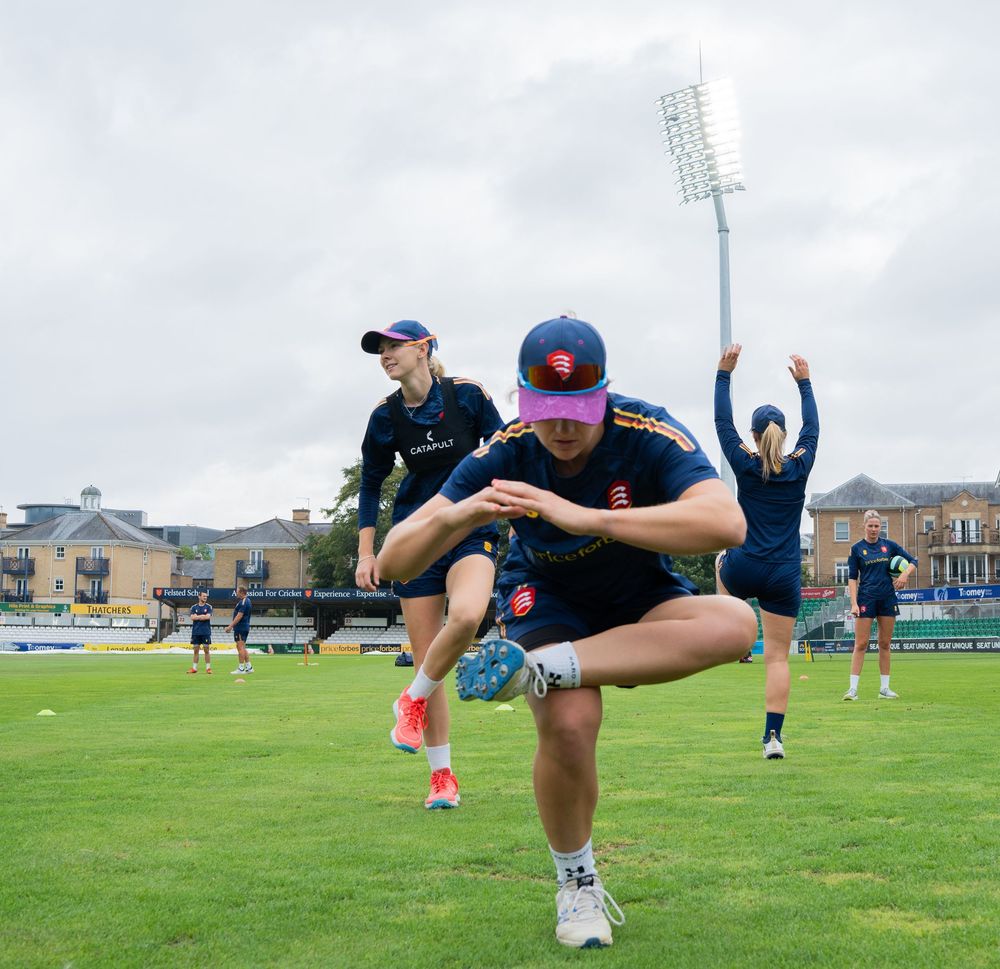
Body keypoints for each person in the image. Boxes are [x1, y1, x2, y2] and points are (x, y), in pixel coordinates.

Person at [376, 316, 756, 949]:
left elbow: (726, 523)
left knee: (737, 624)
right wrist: (463, 512)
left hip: (638, 595)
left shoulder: (648, 429)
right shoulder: (505, 448)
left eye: (577, 410)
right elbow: (394, 561)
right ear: (524, 399)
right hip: (547, 596)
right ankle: (576, 885)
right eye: (546, 410)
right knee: (571, 726)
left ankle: (539, 670)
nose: (561, 428)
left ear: (603, 393)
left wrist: (585, 517)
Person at [357, 319, 504, 810]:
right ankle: (442, 779)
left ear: (424, 349)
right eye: (380, 349)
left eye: (394, 346)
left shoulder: (467, 396)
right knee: (429, 662)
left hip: (472, 533)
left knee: (466, 618)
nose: (385, 354)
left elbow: (506, 452)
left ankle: (410, 699)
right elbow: (370, 485)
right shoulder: (384, 417)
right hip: (417, 539)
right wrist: (366, 553)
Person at [713, 344, 819, 760]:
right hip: (783, 574)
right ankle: (773, 739)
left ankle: (731, 632)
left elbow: (723, 422)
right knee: (776, 660)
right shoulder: (799, 465)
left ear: (754, 437)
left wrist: (724, 374)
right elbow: (814, 427)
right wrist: (805, 382)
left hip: (743, 567)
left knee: (721, 557)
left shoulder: (744, 463)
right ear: (785, 435)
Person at [843, 510, 916, 700]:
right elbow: (852, 579)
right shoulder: (857, 549)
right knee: (861, 644)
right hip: (866, 599)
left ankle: (884, 689)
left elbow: (913, 560)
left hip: (887, 599)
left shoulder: (889, 546)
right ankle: (852, 690)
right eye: (871, 526)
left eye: (877, 526)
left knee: (885, 643)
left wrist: (904, 574)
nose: (874, 529)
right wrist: (853, 603)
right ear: (864, 526)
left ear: (880, 527)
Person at [225, 586, 254, 674]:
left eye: (237, 591)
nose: (236, 593)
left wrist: (230, 626)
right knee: (242, 647)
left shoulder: (244, 602)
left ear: (241, 592)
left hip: (240, 627)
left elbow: (239, 615)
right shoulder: (245, 601)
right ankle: (249, 667)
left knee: (240, 647)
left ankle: (241, 668)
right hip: (243, 627)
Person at [186, 589, 213, 674]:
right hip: (196, 632)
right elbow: (192, 618)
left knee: (206, 650)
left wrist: (198, 616)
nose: (205, 598)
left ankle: (208, 668)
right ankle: (194, 668)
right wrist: (202, 616)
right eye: (204, 596)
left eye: (206, 596)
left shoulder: (208, 607)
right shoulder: (194, 607)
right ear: (199, 596)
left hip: (205, 632)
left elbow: (207, 617)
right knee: (196, 650)